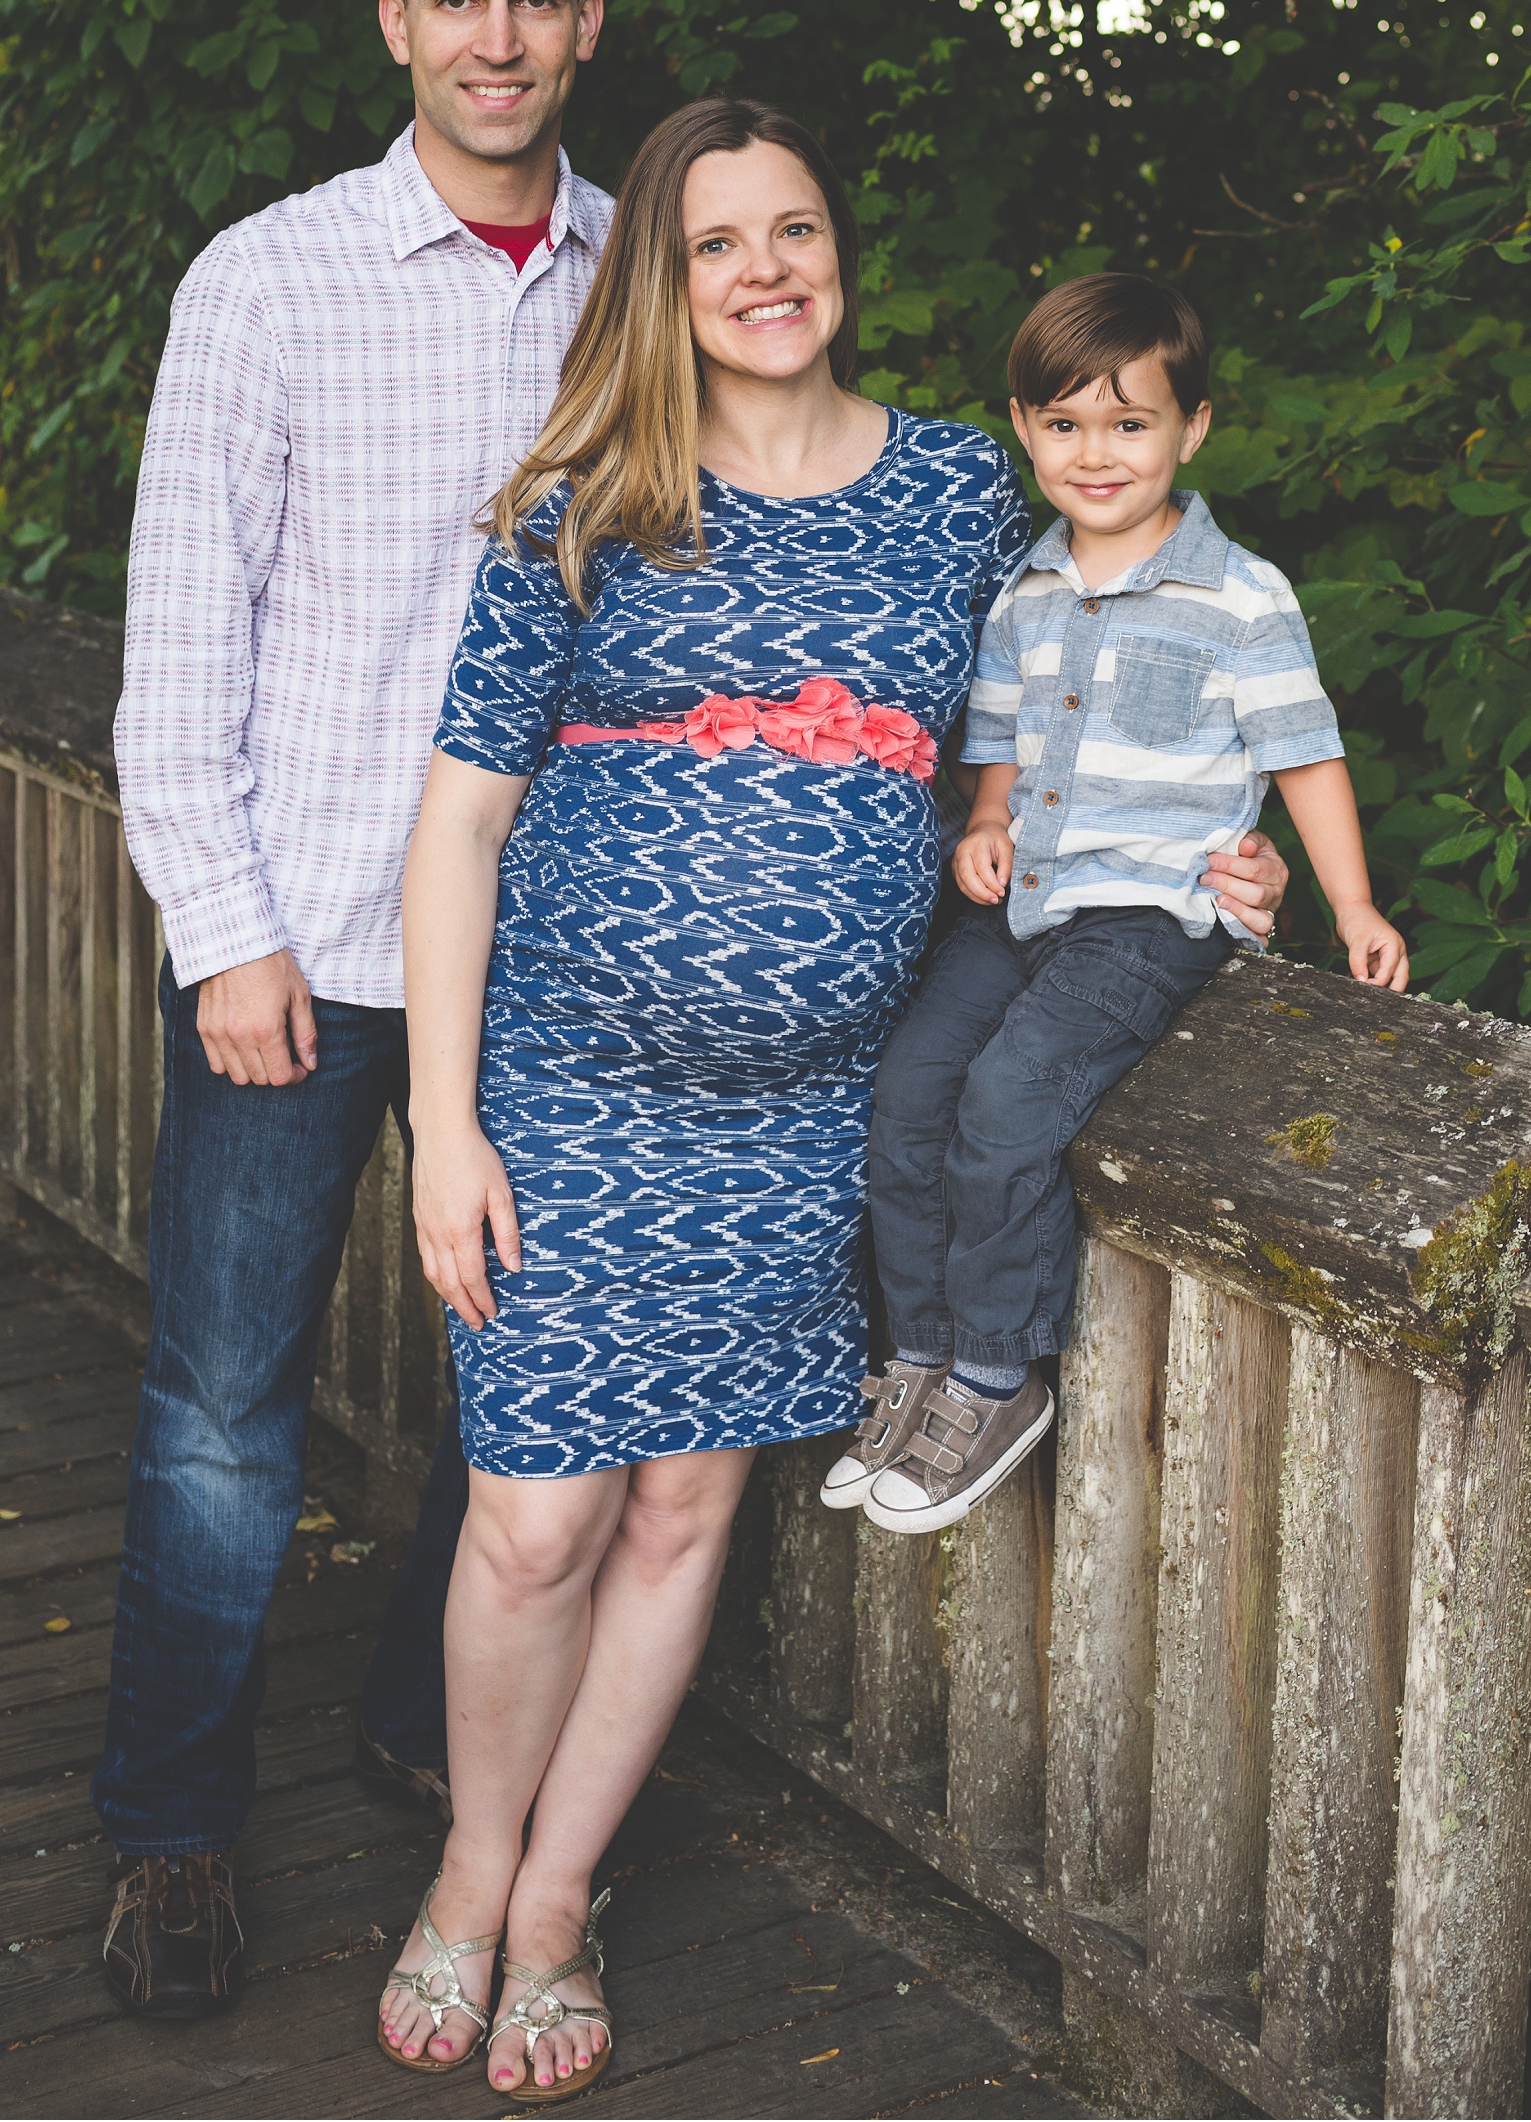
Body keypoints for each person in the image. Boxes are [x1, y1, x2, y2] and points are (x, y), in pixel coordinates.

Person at [376, 117, 1291, 2097]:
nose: (764, 267)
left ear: (838, 254)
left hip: (803, 1110)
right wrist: (442, 1122)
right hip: (565, 1081)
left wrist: (1226, 849)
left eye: (793, 228)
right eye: (718, 242)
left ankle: (557, 1906)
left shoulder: (966, 492)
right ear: (665, 281)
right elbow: (455, 821)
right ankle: (468, 1871)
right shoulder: (586, 491)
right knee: (535, 1522)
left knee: (685, 1502)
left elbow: (1117, 666)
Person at [93, 0, 614, 2022]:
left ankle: (423, 1719)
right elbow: (173, 646)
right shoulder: (269, 280)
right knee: (228, 1408)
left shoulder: (646, 282)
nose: (496, 37)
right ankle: (170, 1830)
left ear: (587, 24)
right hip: (300, 945)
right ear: (393, 22)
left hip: (563, 959)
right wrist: (221, 933)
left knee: (536, 1415)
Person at [831, 269, 1408, 1541]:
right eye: (1065, 423)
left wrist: (1351, 902)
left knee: (1008, 1099)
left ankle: (996, 1372)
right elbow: (995, 737)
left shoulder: (1239, 594)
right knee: (912, 1088)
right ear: (1026, 427)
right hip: (1021, 903)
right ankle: (920, 1354)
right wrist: (983, 824)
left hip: (1147, 917)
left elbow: (1305, 753)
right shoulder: (1025, 585)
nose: (1097, 452)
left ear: (1192, 427)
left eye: (1130, 421)